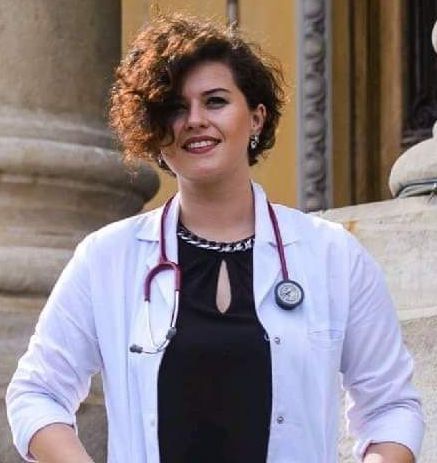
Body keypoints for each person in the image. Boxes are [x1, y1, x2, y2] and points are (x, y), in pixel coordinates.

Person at [6, 13, 424, 463]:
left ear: (257, 118)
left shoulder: (333, 256)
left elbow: (391, 408)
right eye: (174, 108)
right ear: (155, 130)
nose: (195, 120)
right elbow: (36, 393)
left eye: (216, 101)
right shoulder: (107, 258)